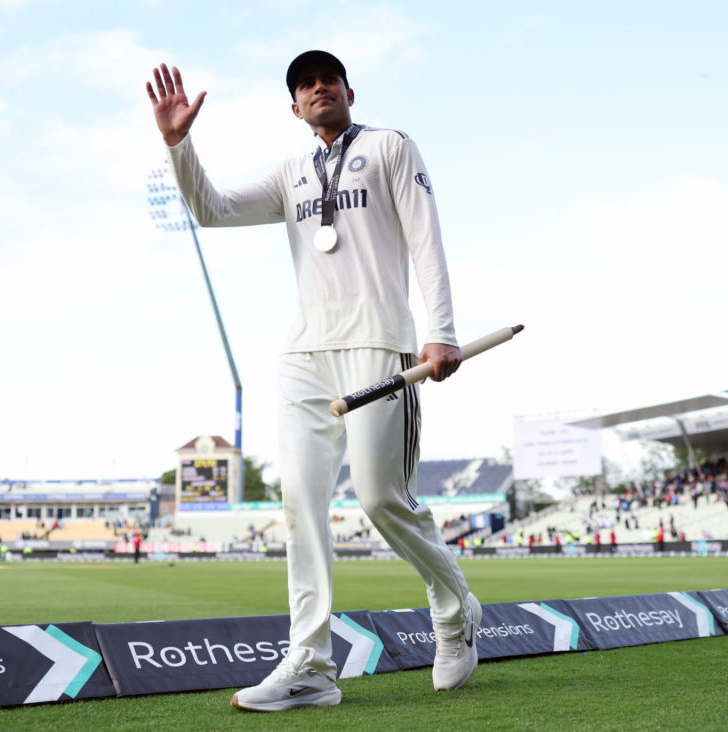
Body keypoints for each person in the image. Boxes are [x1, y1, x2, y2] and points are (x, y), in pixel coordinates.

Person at [146, 51, 481, 712]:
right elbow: (211, 210)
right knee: (300, 501)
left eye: (328, 78)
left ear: (349, 91)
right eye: (305, 83)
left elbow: (426, 236)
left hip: (379, 345)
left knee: (382, 498)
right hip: (305, 356)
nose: (318, 87)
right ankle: (312, 665)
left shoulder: (389, 146)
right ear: (294, 107)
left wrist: (440, 328)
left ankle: (455, 607)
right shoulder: (290, 173)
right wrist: (178, 145)